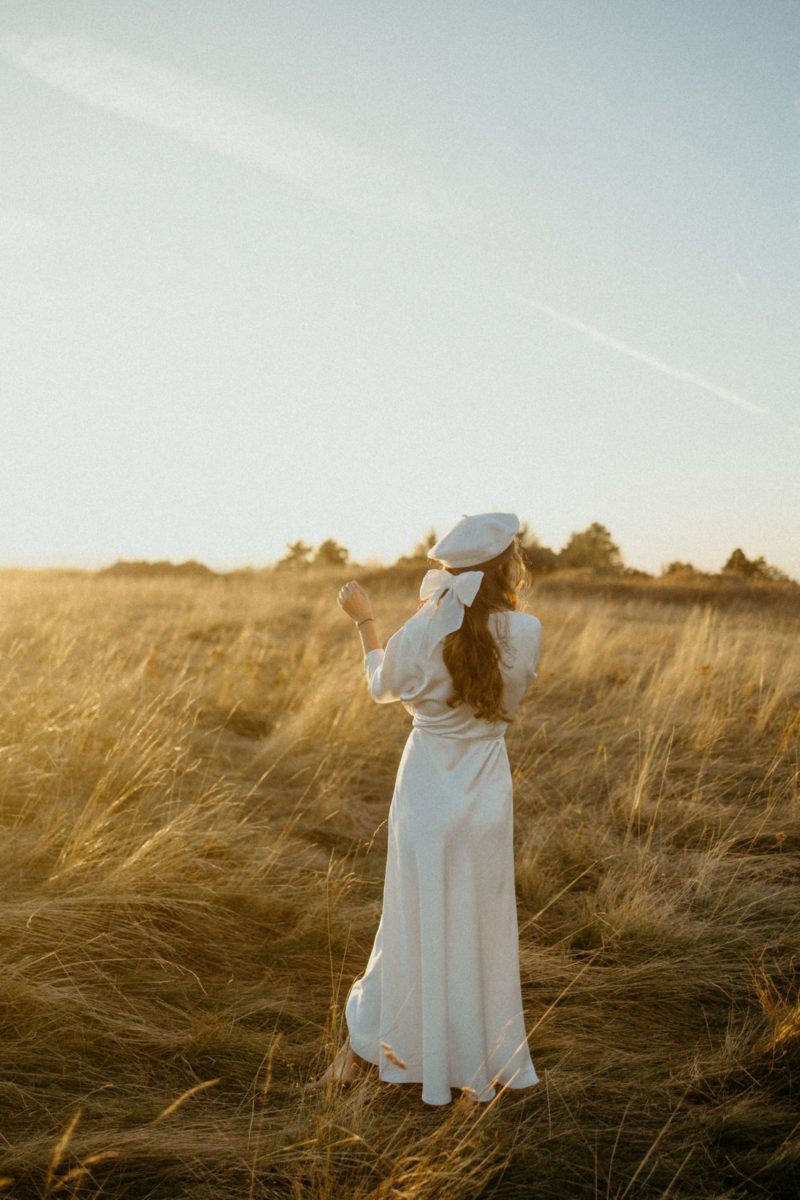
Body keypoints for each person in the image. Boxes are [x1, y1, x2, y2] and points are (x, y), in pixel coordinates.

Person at [309, 512, 542, 1106]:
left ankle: (366, 1051)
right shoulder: (528, 629)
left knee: (410, 919)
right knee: (479, 924)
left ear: (454, 571)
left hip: (425, 790)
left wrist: (365, 621)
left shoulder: (426, 624)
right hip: (485, 791)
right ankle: (474, 1071)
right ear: (507, 568)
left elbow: (381, 687)